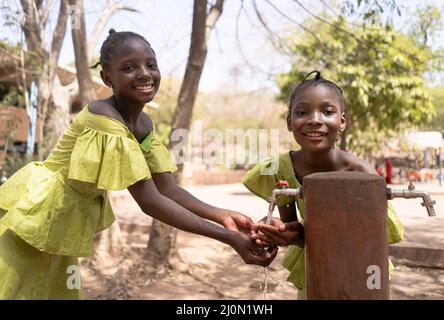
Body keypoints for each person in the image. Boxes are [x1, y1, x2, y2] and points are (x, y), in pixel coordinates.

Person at [0, 30, 277, 299]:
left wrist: (223, 216)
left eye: (151, 64)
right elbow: (149, 200)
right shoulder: (103, 117)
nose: (144, 73)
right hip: (37, 213)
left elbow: (168, 190)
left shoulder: (144, 125)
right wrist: (228, 238)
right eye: (129, 67)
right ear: (107, 78)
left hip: (62, 223)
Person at [242, 70, 404, 299]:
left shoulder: (361, 174)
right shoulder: (281, 169)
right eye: (302, 112)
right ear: (290, 123)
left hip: (362, 271)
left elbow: (379, 236)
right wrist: (279, 231)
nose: (314, 119)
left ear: (342, 121)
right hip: (316, 266)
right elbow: (296, 231)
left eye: (327, 111)